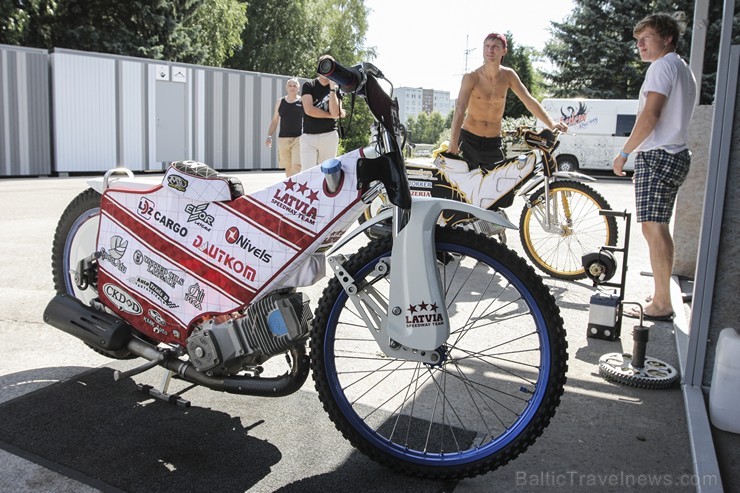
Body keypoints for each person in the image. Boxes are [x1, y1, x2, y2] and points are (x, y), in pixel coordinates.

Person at [614, 12, 696, 322]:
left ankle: (662, 304)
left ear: (667, 38)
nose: (640, 45)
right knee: (658, 227)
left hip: (659, 155)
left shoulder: (663, 67)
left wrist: (624, 153)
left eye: (646, 38)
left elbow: (650, 116)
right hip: (675, 153)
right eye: (637, 41)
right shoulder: (680, 67)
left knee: (654, 228)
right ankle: (662, 293)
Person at [449, 33, 567, 170]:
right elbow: (459, 110)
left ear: (504, 51)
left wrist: (552, 124)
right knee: (464, 188)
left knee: (497, 188)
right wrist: (453, 142)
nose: (490, 50)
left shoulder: (508, 76)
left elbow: (528, 101)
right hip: (469, 140)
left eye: (495, 47)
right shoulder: (471, 77)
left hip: (493, 143)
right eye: (486, 46)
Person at [300, 54, 344, 170]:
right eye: (324, 64)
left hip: (329, 135)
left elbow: (335, 112)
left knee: (327, 172)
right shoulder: (309, 85)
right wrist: (330, 115)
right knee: (308, 173)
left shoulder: (337, 87)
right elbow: (309, 110)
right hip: (309, 137)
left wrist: (332, 89)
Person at [266, 78, 303, 177]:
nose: (292, 87)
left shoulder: (302, 101)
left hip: (299, 137)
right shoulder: (280, 101)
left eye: (294, 86)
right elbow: (275, 120)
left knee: (296, 165)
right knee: (288, 167)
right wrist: (269, 136)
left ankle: (297, 185)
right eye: (290, 85)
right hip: (283, 138)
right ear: (286, 88)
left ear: (298, 88)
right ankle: (291, 188)